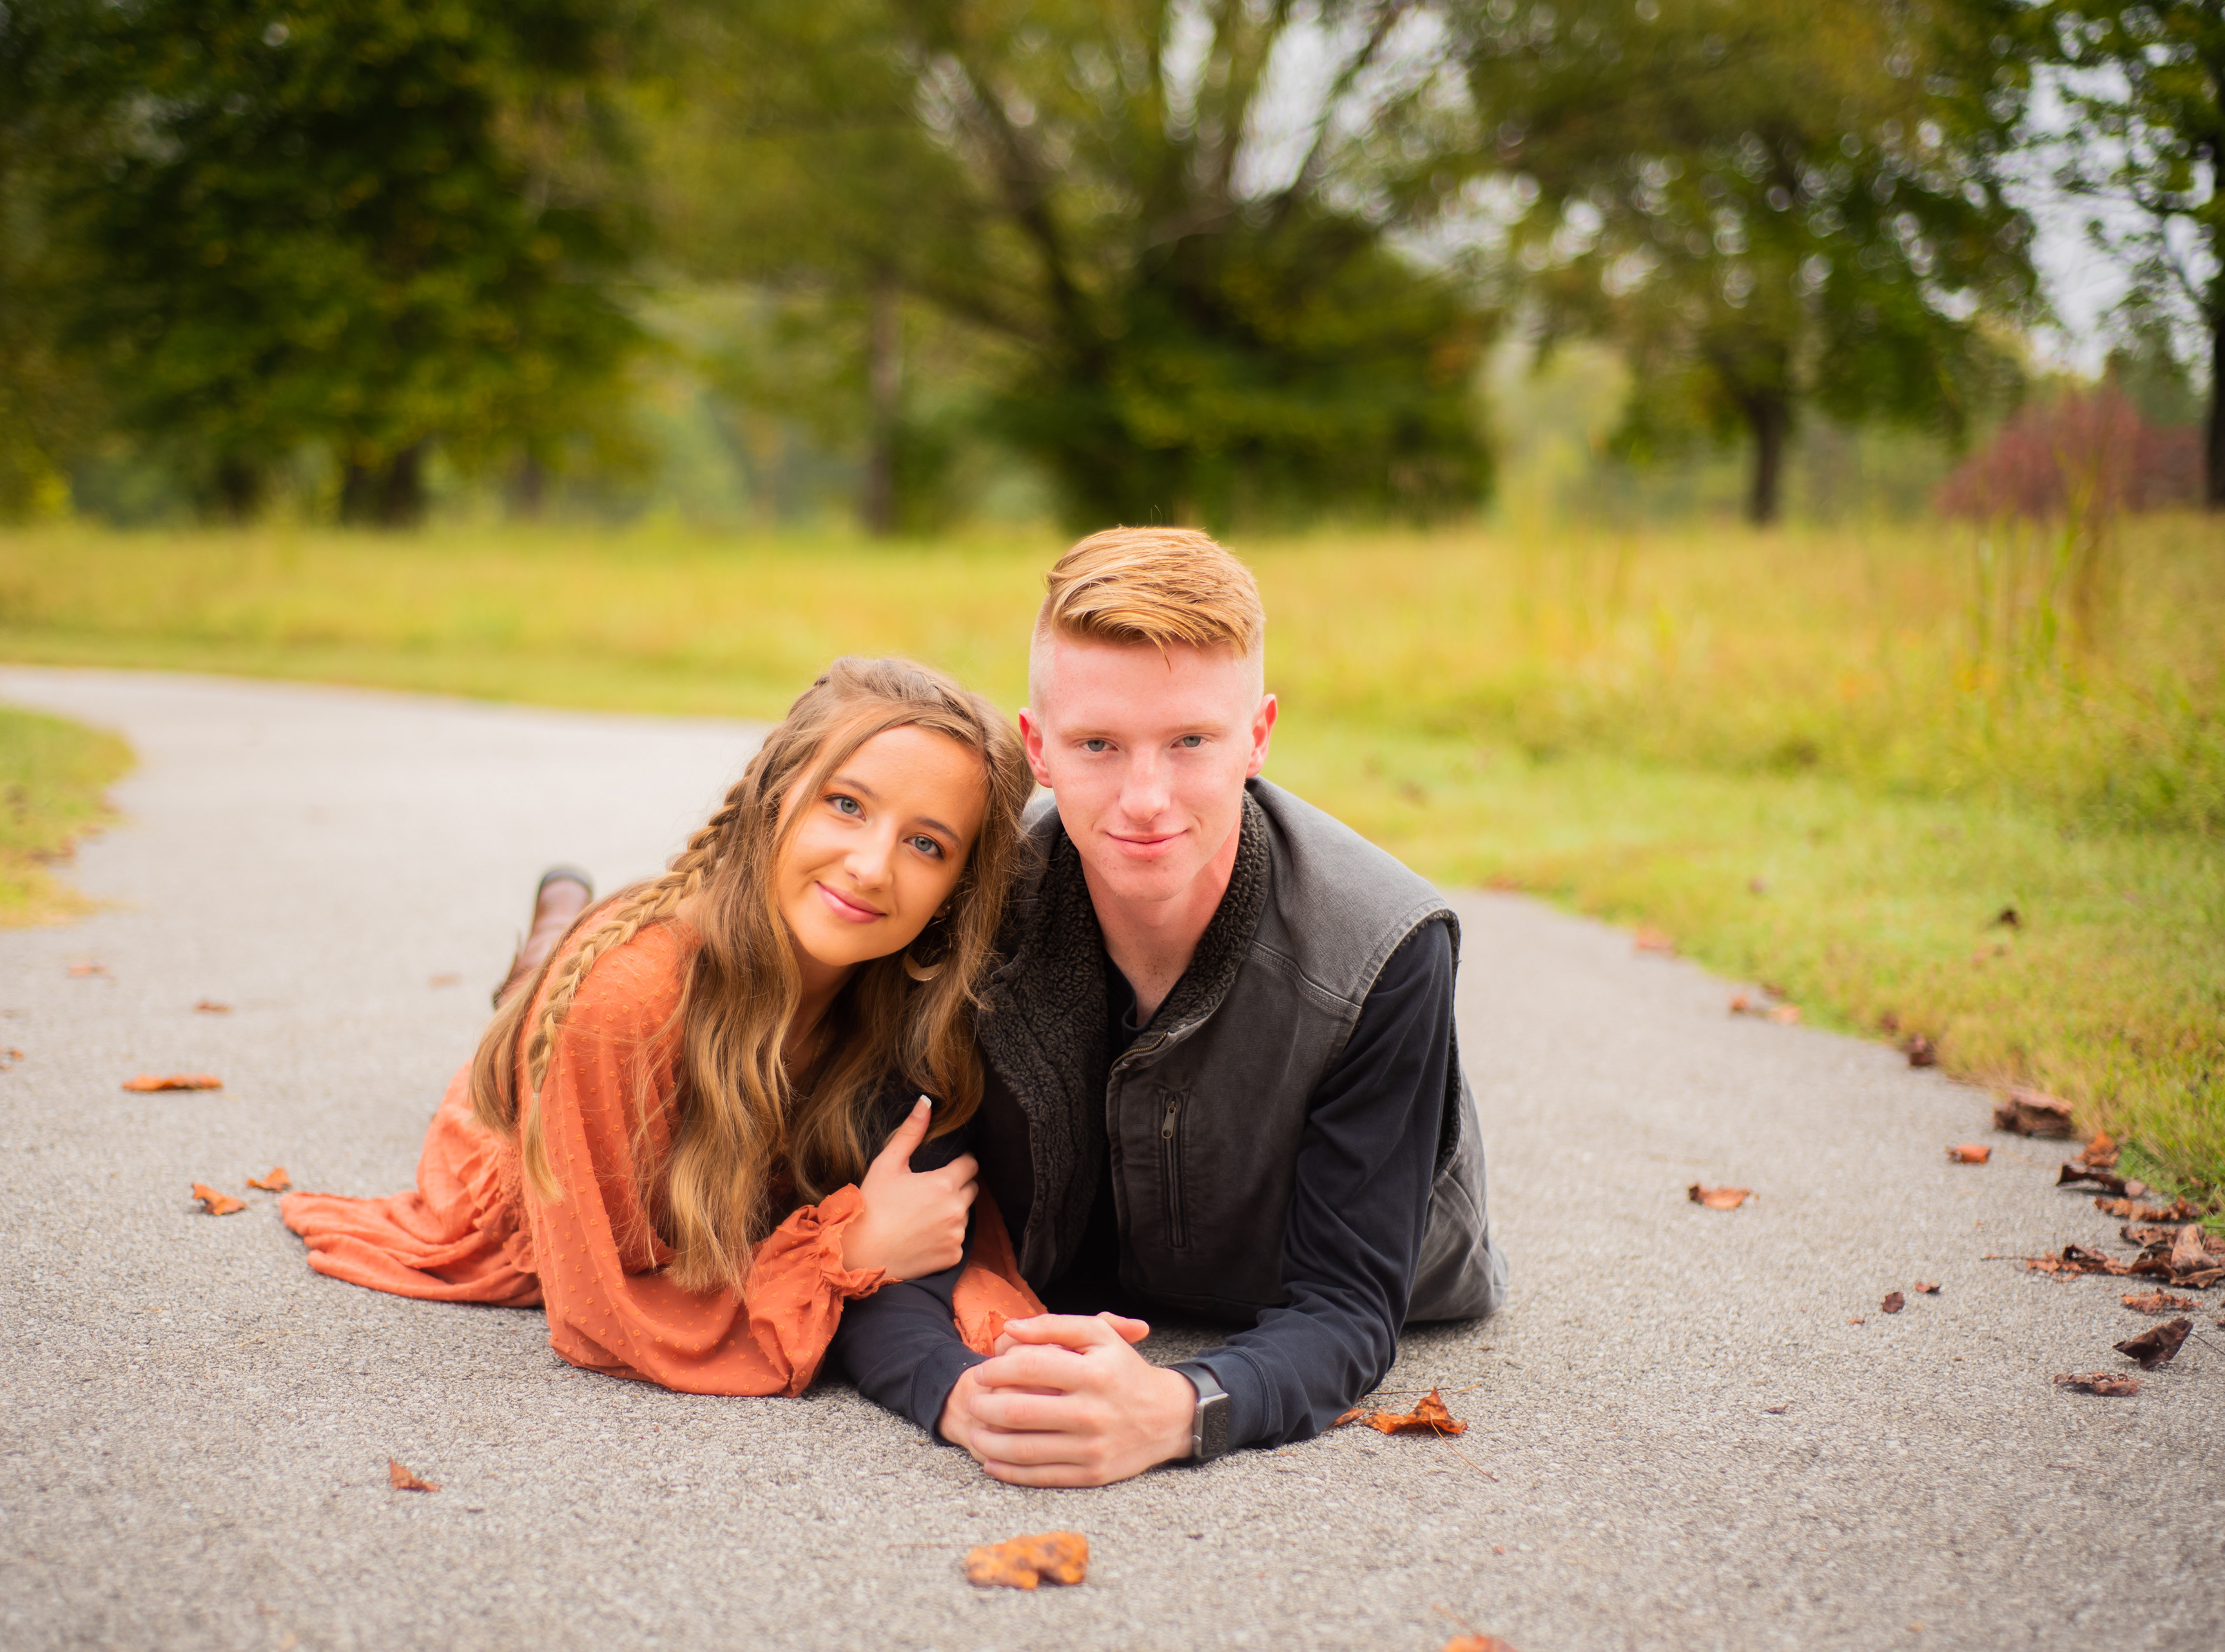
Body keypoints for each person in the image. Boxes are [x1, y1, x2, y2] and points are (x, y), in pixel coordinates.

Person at [824, 527, 1508, 1484]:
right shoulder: (967, 909)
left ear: (1258, 736)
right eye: (1097, 744)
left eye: (1191, 741)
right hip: (1070, 1272)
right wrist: (958, 1394)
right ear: (1038, 748)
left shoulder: (1386, 946)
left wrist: (1177, 1409)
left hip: (1363, 1287)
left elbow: (1349, 1305)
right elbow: (889, 1236)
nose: (1145, 799)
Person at [280, 657, 1042, 1396]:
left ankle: (551, 940)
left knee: (557, 991)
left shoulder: (913, 990)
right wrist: (847, 1249)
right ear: (776, 794)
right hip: (552, 1125)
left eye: (926, 844)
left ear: (956, 889)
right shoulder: (625, 1003)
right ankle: (549, 952)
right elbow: (600, 1312)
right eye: (846, 804)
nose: (872, 867)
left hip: (631, 1029)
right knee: (543, 1013)